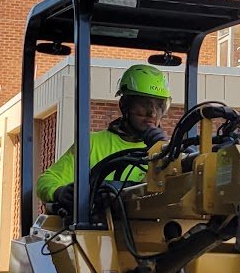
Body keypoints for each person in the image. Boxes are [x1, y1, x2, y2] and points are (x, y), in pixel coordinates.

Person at [35, 64, 172, 214]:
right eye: (144, 105)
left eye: (159, 106)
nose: (152, 113)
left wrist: (165, 149)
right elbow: (48, 180)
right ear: (124, 106)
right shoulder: (92, 144)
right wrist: (59, 192)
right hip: (97, 225)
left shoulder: (168, 153)